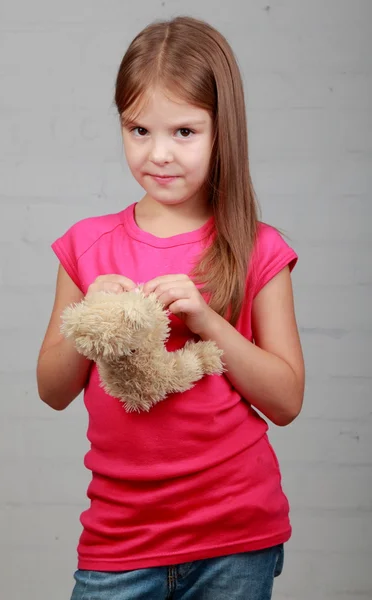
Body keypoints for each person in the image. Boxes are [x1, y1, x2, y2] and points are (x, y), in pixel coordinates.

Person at [37, 15, 305, 600]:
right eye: (138, 130)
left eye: (184, 132)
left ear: (221, 130)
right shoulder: (86, 246)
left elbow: (286, 401)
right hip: (120, 539)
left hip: (236, 536)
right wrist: (87, 327)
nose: (158, 154)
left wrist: (208, 321)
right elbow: (52, 390)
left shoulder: (258, 247)